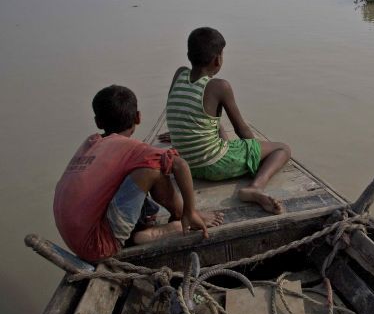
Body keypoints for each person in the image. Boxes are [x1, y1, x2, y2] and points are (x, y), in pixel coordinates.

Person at [53, 85, 224, 262]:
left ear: (98, 122)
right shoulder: (134, 149)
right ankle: (181, 216)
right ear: (138, 117)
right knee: (153, 167)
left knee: (139, 167)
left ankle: (138, 233)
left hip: (73, 238)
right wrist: (191, 210)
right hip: (99, 245)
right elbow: (180, 165)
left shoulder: (91, 142)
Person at [163, 27, 290, 214]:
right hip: (212, 165)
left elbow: (186, 111)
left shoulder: (179, 74)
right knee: (282, 149)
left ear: (189, 55)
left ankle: (229, 153)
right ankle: (255, 187)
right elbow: (242, 131)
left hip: (186, 165)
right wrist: (254, 152)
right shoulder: (219, 86)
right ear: (217, 60)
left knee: (217, 125)